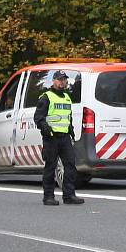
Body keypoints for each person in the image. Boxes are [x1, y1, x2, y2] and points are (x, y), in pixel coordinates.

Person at [34, 70, 85, 206]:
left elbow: (67, 117)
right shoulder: (46, 97)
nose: (62, 82)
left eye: (64, 80)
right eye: (60, 79)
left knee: (70, 166)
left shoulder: (67, 97)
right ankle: (48, 196)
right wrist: (46, 129)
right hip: (51, 138)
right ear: (54, 81)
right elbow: (38, 118)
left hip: (65, 137)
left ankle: (69, 195)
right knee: (50, 167)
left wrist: (71, 131)